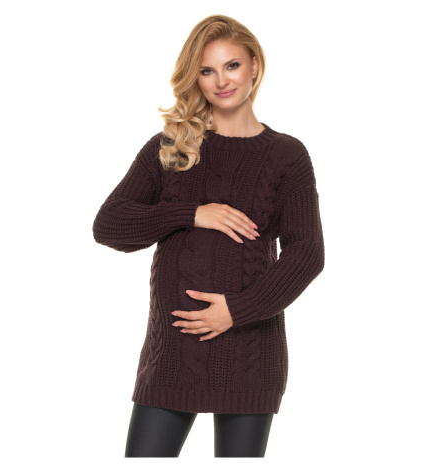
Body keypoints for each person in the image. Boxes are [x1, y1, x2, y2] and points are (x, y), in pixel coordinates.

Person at [92, 14, 325, 458]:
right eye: (207, 70)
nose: (221, 81)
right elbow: (109, 225)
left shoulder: (287, 155)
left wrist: (236, 312)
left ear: (254, 65)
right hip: (173, 353)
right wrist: (191, 213)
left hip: (249, 351)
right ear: (194, 78)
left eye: (232, 65)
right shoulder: (172, 146)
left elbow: (307, 253)